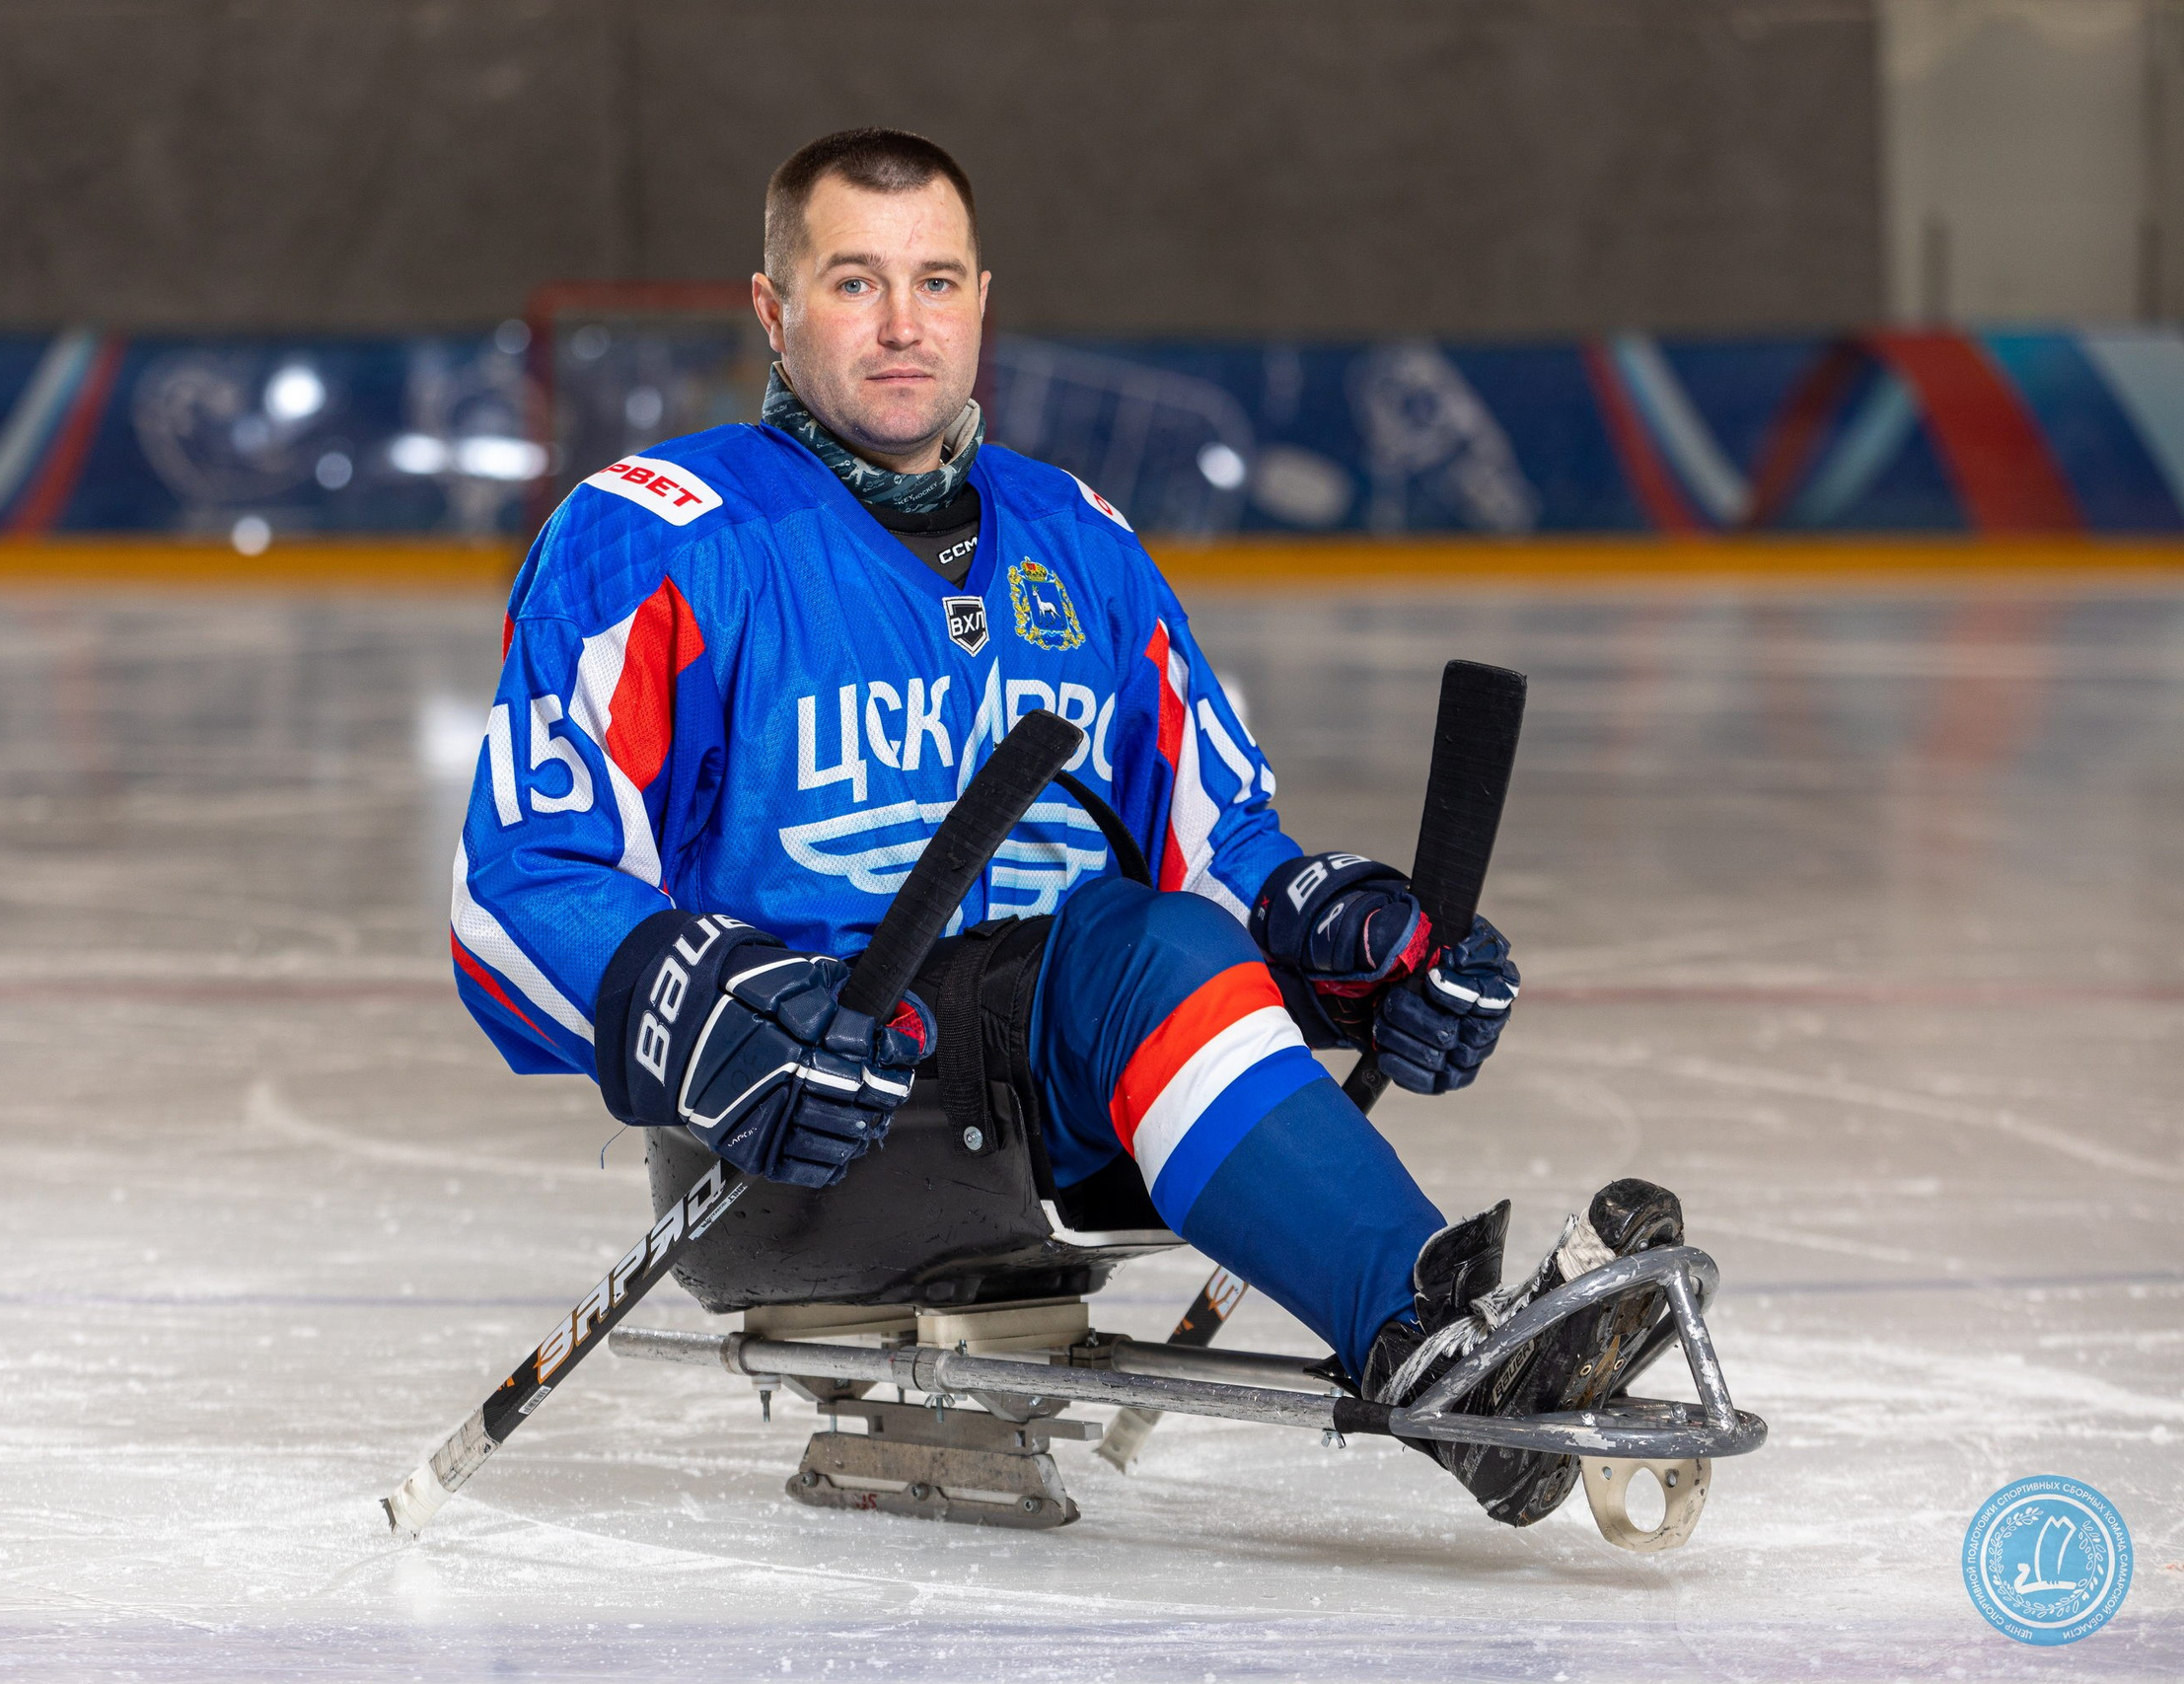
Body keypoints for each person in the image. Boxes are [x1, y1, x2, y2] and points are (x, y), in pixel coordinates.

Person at [453, 127, 1685, 1528]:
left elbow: (1219, 838)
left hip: (1051, 1095)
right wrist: (705, 1011)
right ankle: (1437, 1348)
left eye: (936, 282)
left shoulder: (1078, 536)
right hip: (812, 1133)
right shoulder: (656, 537)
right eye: (854, 283)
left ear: (982, 300)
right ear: (772, 310)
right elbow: (514, 888)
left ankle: (1453, 1352)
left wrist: (1353, 940)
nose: (904, 324)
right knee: (1137, 951)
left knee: (1153, 950)